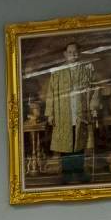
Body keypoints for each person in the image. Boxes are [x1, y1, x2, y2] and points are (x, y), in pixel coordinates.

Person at [43, 41, 100, 185]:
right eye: (70, 52)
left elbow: (95, 88)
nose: (73, 54)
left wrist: (93, 107)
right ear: (65, 54)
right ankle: (67, 174)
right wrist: (50, 113)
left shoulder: (87, 69)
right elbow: (50, 93)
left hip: (81, 112)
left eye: (75, 51)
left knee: (79, 142)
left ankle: (79, 173)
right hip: (63, 113)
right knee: (65, 143)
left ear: (79, 53)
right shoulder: (57, 72)